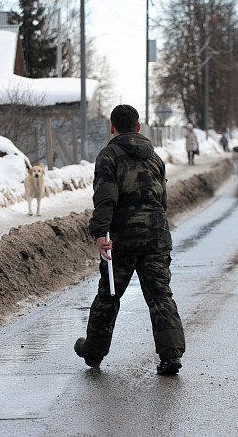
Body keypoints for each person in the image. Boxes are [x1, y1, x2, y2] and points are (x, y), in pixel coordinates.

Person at [74, 104, 185, 375]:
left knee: (109, 295)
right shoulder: (155, 158)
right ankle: (170, 356)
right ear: (138, 126)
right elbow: (163, 201)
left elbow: (105, 198)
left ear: (112, 127)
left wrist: (101, 234)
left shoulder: (108, 156)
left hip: (121, 241)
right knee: (160, 295)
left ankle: (93, 352)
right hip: (156, 237)